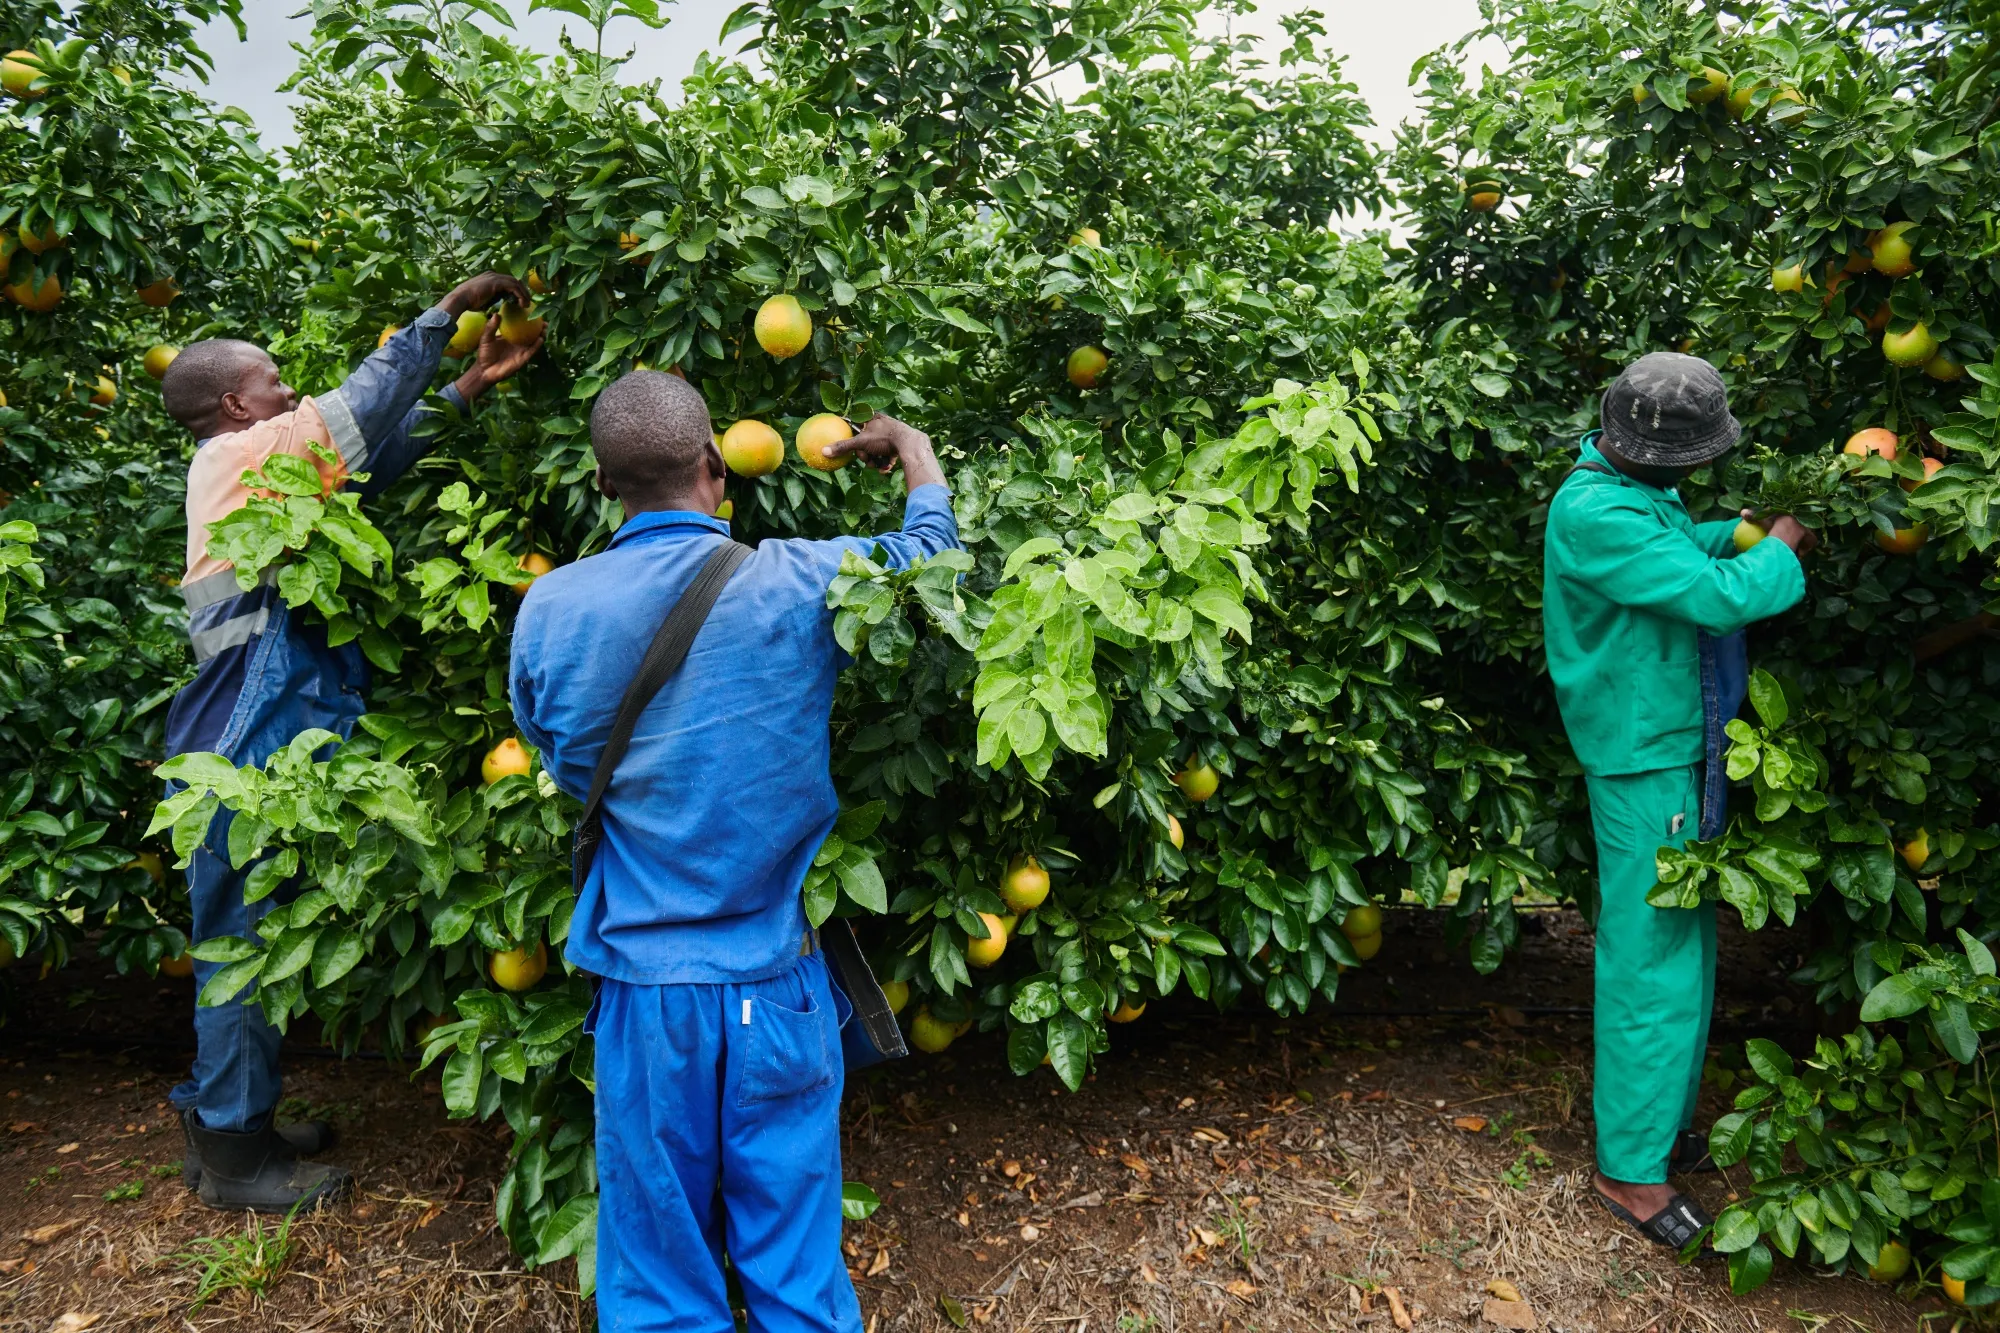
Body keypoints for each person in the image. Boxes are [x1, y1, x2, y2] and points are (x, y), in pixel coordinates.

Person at [508, 371, 958, 1331]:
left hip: (646, 996)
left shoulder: (550, 610)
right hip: (775, 984)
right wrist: (912, 451)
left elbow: (554, 752)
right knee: (795, 1271)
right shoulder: (798, 579)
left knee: (662, 1283)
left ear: (603, 487)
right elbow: (931, 557)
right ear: (716, 466)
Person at [160, 272, 542, 1211]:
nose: (291, 392)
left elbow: (381, 448)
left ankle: (222, 1120)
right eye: (276, 381)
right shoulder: (239, 456)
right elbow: (364, 401)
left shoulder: (268, 472)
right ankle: (238, 1156)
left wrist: (470, 388)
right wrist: (446, 308)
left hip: (261, 724)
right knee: (242, 940)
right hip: (242, 735)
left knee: (245, 932)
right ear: (235, 404)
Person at [1542, 351, 1815, 1248]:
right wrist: (1778, 546)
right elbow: (1713, 596)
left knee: (1685, 950)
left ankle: (1654, 1129)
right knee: (1651, 963)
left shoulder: (1625, 492)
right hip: (1642, 755)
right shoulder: (1593, 511)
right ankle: (1629, 1171)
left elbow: (1673, 546)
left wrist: (1728, 528)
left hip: (1669, 748)